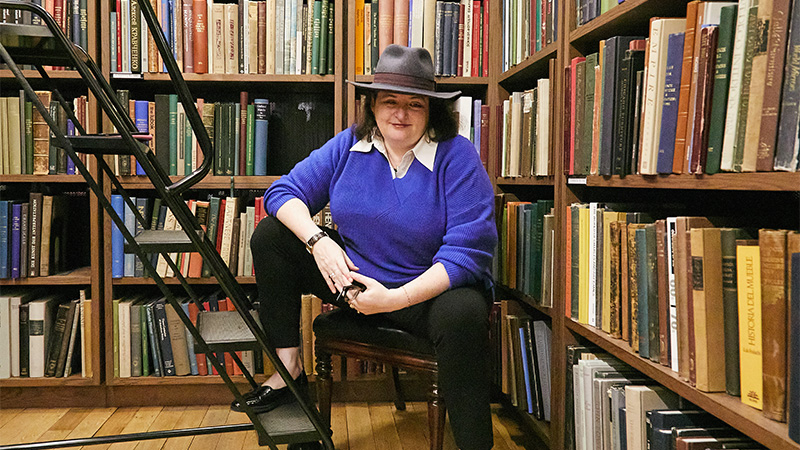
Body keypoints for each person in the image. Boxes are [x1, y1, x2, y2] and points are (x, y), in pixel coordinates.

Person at [232, 44, 498, 450]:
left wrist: (393, 299)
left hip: (425, 291)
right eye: (390, 101)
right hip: (354, 280)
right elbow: (282, 192)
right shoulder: (351, 145)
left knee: (465, 313)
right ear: (372, 105)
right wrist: (319, 241)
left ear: (432, 111)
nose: (400, 114)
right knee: (272, 238)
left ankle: (474, 445)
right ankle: (289, 370)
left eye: (415, 104)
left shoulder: (457, 156)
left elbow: (469, 253)